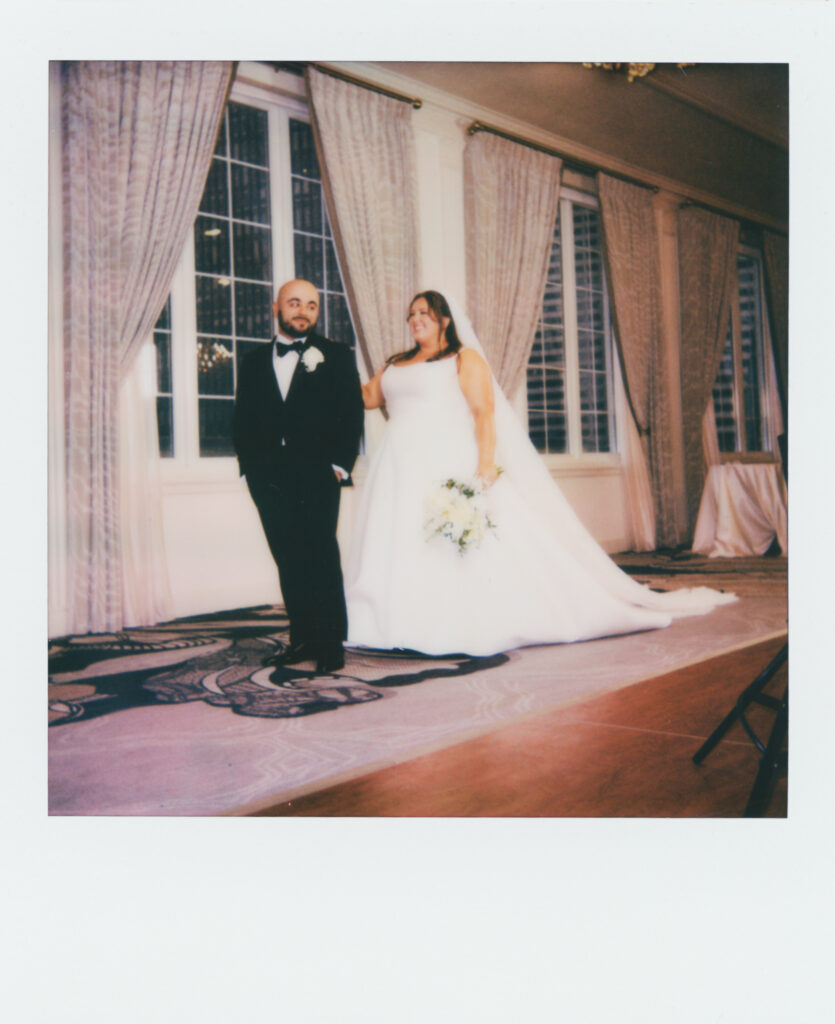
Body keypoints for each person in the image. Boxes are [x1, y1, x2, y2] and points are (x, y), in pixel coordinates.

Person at [344, 290, 735, 658]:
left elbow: (483, 413)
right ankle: (397, 622)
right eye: (411, 315)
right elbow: (366, 397)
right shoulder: (396, 363)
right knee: (399, 537)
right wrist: (330, 369)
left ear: (444, 320)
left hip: (443, 460)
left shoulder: (463, 359)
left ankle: (449, 622)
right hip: (397, 465)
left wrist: (484, 463)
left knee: (449, 542)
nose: (415, 320)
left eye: (424, 314)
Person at [233, 279, 364, 673]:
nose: (303, 311)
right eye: (294, 302)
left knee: (321, 555)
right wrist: (251, 469)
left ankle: (330, 644)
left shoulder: (336, 355)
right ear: (277, 307)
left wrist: (339, 466)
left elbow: (352, 412)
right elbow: (242, 417)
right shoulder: (253, 360)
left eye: (311, 304)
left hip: (317, 474)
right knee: (287, 558)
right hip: (268, 477)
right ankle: (302, 637)